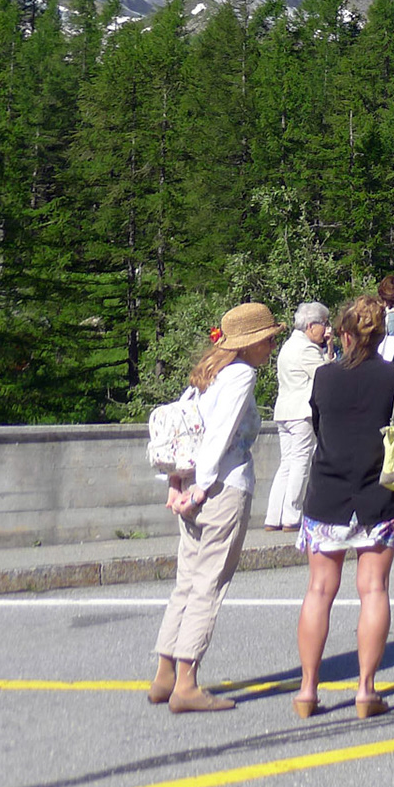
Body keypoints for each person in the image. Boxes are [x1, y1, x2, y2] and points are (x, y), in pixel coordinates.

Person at [150, 303, 279, 714]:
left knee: (186, 580)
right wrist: (202, 487)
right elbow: (219, 435)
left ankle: (165, 673)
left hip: (192, 485)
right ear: (253, 342)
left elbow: (182, 431)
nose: (272, 347)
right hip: (221, 489)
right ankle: (186, 683)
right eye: (270, 339)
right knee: (209, 584)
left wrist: (177, 483)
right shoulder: (242, 374)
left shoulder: (207, 374)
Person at [293, 295, 394, 720]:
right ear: (381, 336)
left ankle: (307, 690)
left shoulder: (323, 376)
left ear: (342, 334)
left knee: (319, 590)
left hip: (327, 491)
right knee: (373, 589)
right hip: (378, 492)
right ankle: (365, 690)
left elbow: (319, 425)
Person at [264, 302, 329, 532]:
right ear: (311, 325)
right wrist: (328, 348)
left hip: (284, 411)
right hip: (301, 413)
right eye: (324, 324)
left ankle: (273, 516)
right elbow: (326, 375)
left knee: (287, 463)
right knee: (300, 462)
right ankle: (292, 515)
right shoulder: (307, 349)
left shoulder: (288, 346)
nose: (326, 329)